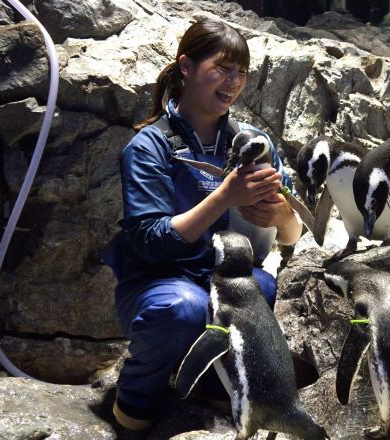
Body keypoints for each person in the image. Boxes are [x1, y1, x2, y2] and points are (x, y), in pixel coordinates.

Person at [103, 18, 302, 431]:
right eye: (222, 68)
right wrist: (225, 197)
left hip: (223, 275)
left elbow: (290, 235)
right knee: (183, 308)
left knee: (261, 287)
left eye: (241, 72)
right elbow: (148, 243)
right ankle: (135, 402)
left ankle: (210, 385)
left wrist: (280, 214)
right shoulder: (150, 146)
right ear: (186, 67)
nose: (233, 81)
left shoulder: (252, 141)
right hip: (158, 281)